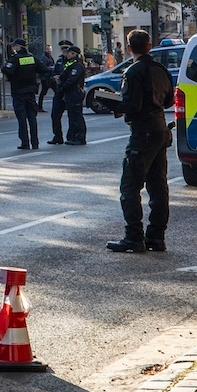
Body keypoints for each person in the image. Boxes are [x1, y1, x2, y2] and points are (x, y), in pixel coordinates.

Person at [97, 29, 174, 253]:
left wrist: (115, 105)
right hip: (160, 129)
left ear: (129, 48)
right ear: (149, 46)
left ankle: (133, 237)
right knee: (158, 186)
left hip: (143, 133)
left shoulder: (133, 71)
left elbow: (132, 105)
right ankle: (156, 237)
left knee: (130, 186)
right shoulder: (161, 70)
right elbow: (169, 100)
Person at [45, 40, 88, 145]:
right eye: (63, 49)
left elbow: (71, 79)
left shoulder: (77, 64)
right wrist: (56, 79)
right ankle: (58, 136)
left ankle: (76, 137)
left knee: (75, 116)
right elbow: (56, 74)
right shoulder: (61, 62)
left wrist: (62, 85)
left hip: (72, 92)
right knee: (56, 115)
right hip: (62, 92)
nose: (65, 51)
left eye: (67, 50)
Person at [2, 40, 43, 150]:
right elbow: (43, 69)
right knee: (32, 118)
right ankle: (35, 142)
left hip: (19, 91)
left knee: (22, 118)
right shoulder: (31, 57)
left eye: (14, 46)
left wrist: (4, 66)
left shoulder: (15, 58)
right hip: (31, 91)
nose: (13, 48)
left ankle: (25, 142)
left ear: (18, 47)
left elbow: (8, 70)